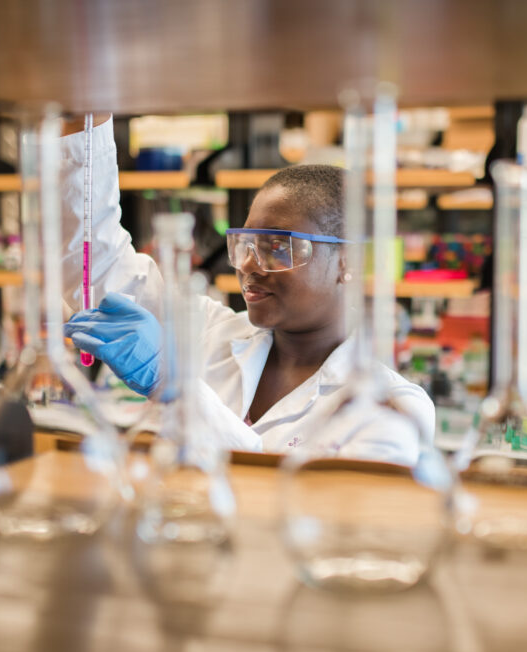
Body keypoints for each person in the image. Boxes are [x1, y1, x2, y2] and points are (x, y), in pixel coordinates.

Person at [60, 116, 434, 465]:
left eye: (277, 247)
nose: (248, 265)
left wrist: (175, 385)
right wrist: (84, 118)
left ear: (347, 263)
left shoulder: (392, 409)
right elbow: (95, 260)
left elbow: (299, 508)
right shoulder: (209, 333)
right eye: (246, 244)